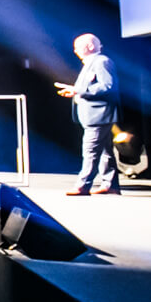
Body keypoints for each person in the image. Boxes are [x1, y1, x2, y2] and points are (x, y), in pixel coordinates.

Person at [58, 33, 121, 196]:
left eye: (78, 47)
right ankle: (110, 185)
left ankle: (83, 185)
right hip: (94, 116)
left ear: (91, 46)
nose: (75, 51)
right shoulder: (90, 64)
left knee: (90, 151)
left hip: (99, 115)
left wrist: (78, 90)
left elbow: (108, 87)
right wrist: (75, 92)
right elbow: (90, 89)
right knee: (106, 151)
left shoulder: (102, 62)